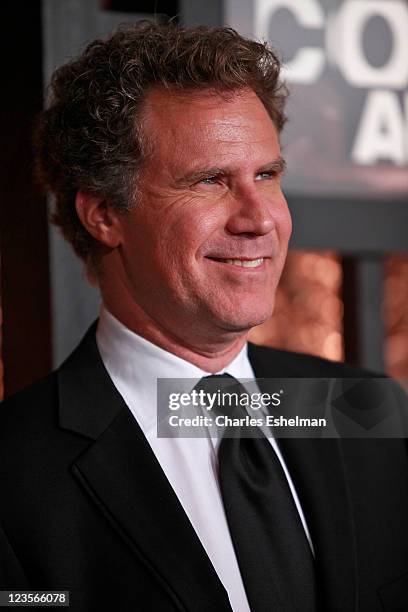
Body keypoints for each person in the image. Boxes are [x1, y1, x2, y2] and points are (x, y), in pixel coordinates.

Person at [1, 22, 408, 612]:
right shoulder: (11, 474)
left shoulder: (365, 409)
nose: (258, 218)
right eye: (211, 180)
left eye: (266, 175)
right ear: (104, 215)